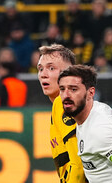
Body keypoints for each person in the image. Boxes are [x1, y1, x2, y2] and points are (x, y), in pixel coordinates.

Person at [58, 65, 112, 182]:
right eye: (62, 89)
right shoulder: (96, 109)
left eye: (73, 89)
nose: (66, 95)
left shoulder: (99, 129)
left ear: (90, 93)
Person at [37, 44, 86, 183]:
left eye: (51, 68)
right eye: (40, 69)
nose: (43, 74)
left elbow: (79, 162)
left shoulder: (63, 103)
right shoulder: (76, 102)